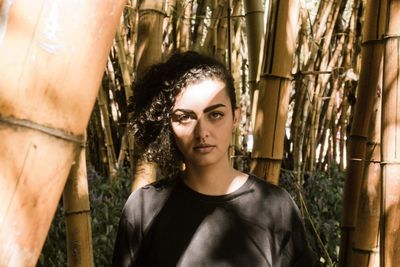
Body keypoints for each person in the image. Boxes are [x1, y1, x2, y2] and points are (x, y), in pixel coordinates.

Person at [112, 51, 318, 267]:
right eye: (185, 117)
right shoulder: (144, 208)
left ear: (236, 116)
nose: (202, 132)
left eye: (215, 115)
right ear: (168, 124)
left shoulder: (277, 207)